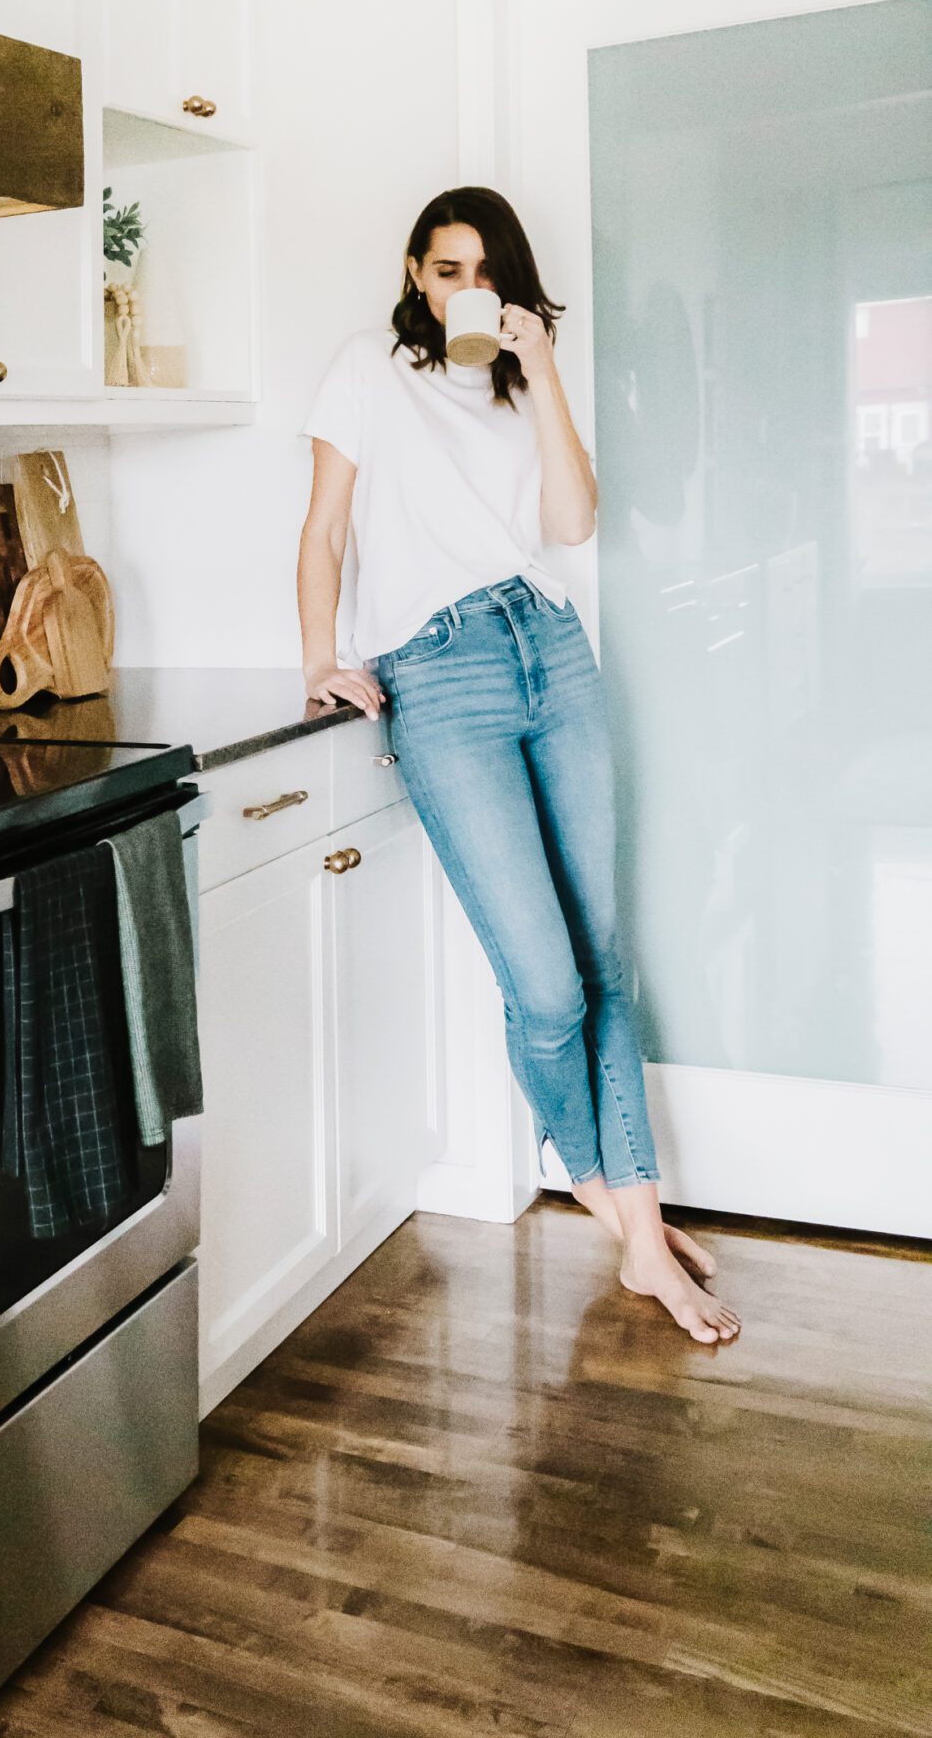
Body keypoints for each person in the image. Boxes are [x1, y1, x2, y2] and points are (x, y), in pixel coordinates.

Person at [297, 186, 740, 1346]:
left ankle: (637, 1228)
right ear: (413, 271)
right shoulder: (365, 367)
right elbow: (324, 528)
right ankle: (610, 1198)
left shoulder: (510, 379)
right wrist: (318, 659)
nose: (464, 291)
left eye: (483, 273)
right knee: (541, 983)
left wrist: (541, 370)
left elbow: (572, 520)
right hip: (436, 676)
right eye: (445, 271)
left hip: (549, 649)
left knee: (600, 957)